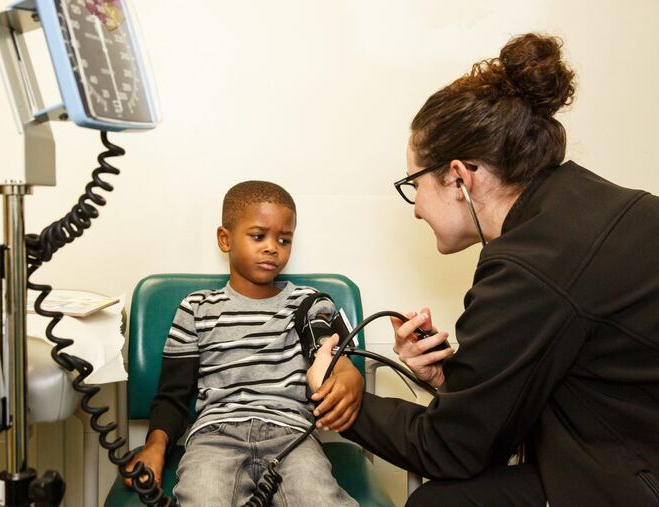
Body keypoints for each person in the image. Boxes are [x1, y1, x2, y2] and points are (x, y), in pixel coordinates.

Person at [309, 33, 659, 506]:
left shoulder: (529, 269)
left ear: (458, 176)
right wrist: (447, 381)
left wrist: (346, 406)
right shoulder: (582, 207)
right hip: (632, 439)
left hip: (635, 475)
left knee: (438, 502)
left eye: (415, 185)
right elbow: (569, 369)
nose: (415, 209)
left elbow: (450, 449)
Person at [125, 180, 362, 506]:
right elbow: (172, 395)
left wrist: (349, 376)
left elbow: (338, 364)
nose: (272, 247)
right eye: (258, 236)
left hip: (293, 436)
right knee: (202, 498)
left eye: (284, 239)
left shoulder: (311, 304)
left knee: (320, 498)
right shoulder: (196, 308)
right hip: (215, 437)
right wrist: (155, 447)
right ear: (225, 239)